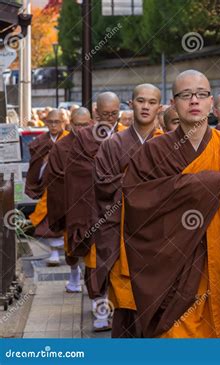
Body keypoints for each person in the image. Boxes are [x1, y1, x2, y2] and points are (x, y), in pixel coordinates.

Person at [122, 70, 220, 338]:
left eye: (201, 95)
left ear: (211, 103)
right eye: (185, 95)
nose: (194, 101)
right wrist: (208, 185)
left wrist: (216, 189)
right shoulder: (153, 152)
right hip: (174, 271)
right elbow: (138, 203)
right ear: (173, 104)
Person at [94, 84, 163, 338]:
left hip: (159, 237)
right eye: (140, 101)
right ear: (131, 104)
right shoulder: (112, 145)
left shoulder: (168, 142)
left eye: (152, 102)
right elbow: (101, 184)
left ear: (160, 106)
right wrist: (139, 186)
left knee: (159, 307)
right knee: (126, 309)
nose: (145, 106)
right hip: (122, 232)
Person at [65, 92, 125, 332]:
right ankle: (101, 313)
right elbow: (76, 173)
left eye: (114, 114)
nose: (110, 119)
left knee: (120, 264)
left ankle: (119, 311)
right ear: (96, 113)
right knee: (96, 264)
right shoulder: (83, 138)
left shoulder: (126, 136)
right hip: (92, 210)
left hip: (120, 211)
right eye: (105, 114)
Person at [44, 107, 93, 291]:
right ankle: (74, 275)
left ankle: (94, 287)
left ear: (91, 124)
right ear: (71, 124)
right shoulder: (61, 147)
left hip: (93, 205)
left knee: (94, 247)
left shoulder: (100, 143)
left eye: (85, 125)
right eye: (77, 125)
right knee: (71, 244)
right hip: (71, 204)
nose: (80, 129)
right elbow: (56, 179)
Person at [25, 109, 68, 266]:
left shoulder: (69, 139)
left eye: (57, 122)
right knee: (49, 221)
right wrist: (44, 161)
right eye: (50, 122)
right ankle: (54, 252)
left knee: (69, 220)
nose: (53, 125)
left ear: (63, 123)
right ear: (46, 123)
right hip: (49, 188)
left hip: (67, 189)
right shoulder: (41, 140)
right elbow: (35, 162)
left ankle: (68, 251)